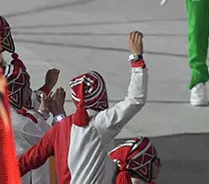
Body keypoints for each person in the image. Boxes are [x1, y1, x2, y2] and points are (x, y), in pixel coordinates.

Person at [18, 31, 147, 184]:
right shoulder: (101, 123)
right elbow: (135, 100)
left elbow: (29, 160)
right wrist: (136, 58)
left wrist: (60, 116)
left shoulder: (61, 128)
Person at [5, 58, 66, 184]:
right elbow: (54, 142)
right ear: (15, 94)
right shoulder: (21, 123)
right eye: (27, 89)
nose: (30, 93)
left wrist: (42, 113)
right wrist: (58, 115)